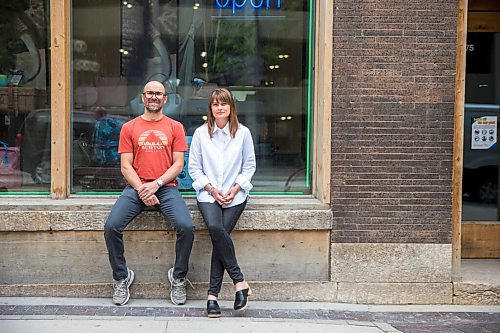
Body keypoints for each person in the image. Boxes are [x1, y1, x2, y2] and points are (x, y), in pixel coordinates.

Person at [104, 80, 195, 306]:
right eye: (150, 93)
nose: (154, 97)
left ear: (165, 99)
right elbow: (126, 166)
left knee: (187, 227)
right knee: (111, 227)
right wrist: (143, 189)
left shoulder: (175, 127)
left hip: (166, 188)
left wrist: (156, 184)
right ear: (143, 98)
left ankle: (179, 277)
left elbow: (178, 164)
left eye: (159, 94)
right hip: (136, 187)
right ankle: (121, 277)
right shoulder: (129, 127)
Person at [188, 88, 256, 318]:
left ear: (231, 108)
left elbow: (249, 166)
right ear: (210, 108)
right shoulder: (200, 134)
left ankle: (212, 297)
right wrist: (212, 189)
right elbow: (194, 169)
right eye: (215, 104)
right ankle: (240, 282)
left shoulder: (243, 133)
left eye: (224, 104)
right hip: (209, 195)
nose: (219, 108)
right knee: (217, 229)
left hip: (235, 196)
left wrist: (235, 188)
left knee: (220, 240)